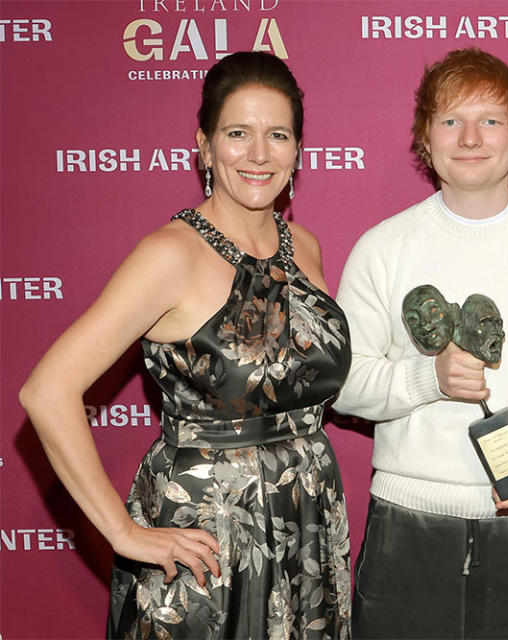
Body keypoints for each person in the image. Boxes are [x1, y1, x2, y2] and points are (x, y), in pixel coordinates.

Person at [19, 51, 352, 639]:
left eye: (277, 135)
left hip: (309, 522)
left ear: (298, 150)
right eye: (237, 133)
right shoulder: (169, 255)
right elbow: (47, 391)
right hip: (210, 541)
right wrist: (123, 532)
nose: (258, 154)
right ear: (204, 145)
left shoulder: (303, 245)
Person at [333, 48, 508, 639]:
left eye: (489, 120)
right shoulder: (382, 247)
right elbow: (342, 384)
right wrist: (425, 378)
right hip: (405, 532)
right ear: (425, 137)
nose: (469, 138)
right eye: (449, 120)